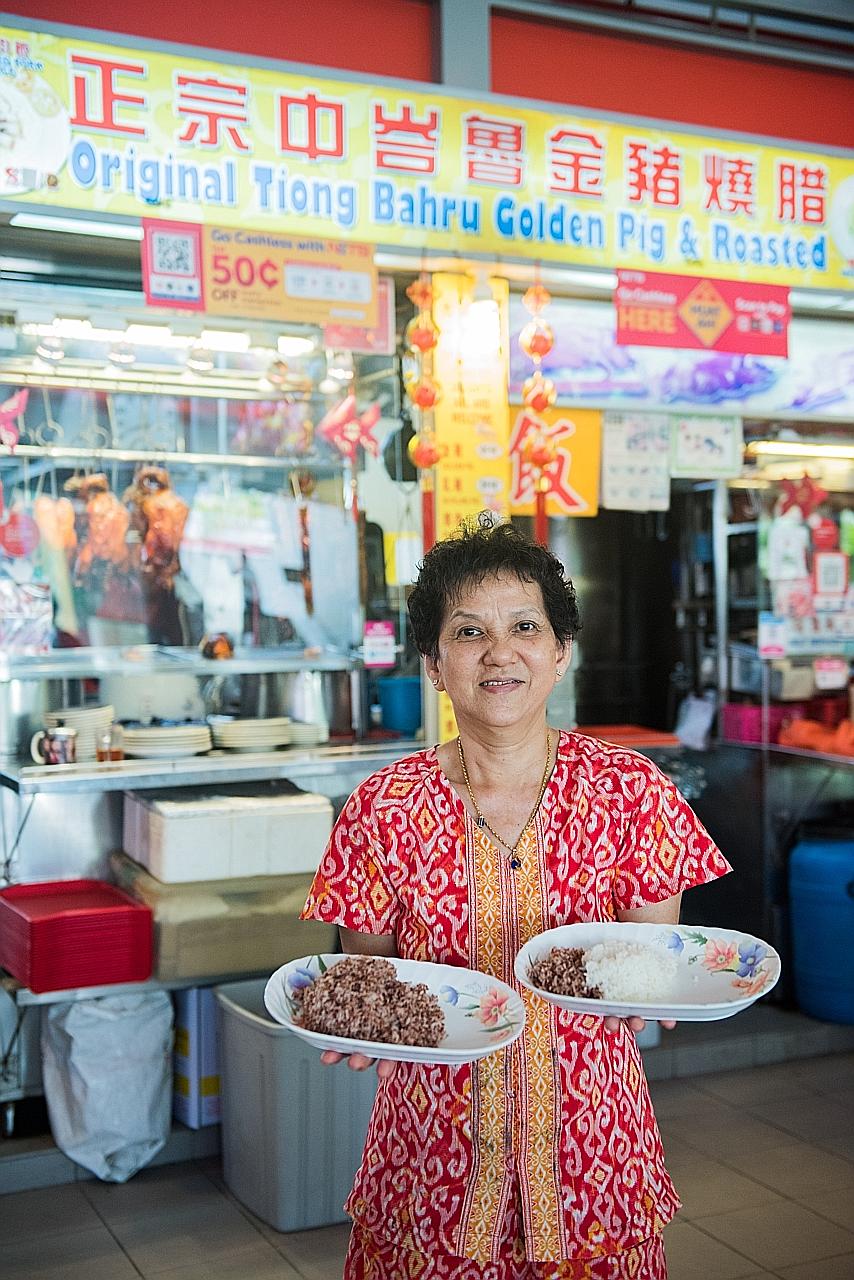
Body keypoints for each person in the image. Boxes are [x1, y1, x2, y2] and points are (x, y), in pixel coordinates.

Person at [301, 513, 731, 1279]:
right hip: (431, 1170)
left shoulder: (631, 791)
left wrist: (653, 991)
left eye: (525, 626)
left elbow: (648, 957)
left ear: (561, 653)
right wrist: (357, 1022)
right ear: (433, 664)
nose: (499, 652)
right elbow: (368, 981)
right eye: (467, 633)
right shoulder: (381, 807)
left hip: (592, 1167)